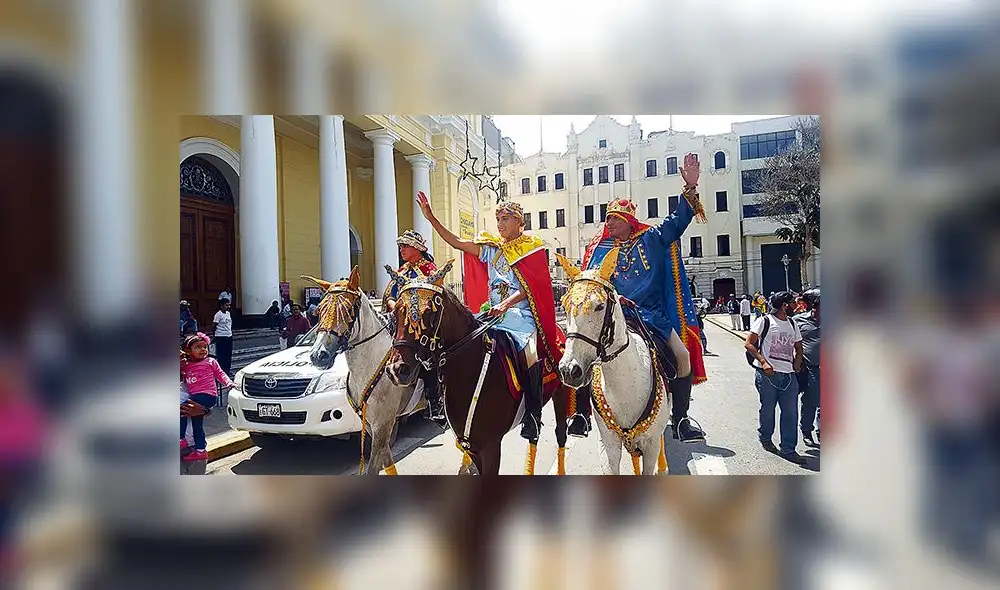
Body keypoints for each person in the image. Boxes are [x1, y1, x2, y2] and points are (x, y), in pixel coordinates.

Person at [569, 152, 709, 443]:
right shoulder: (601, 249)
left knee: (682, 357)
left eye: (614, 219)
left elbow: (677, 222)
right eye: (607, 220)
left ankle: (681, 418)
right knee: (580, 352)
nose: (609, 224)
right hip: (615, 317)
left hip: (652, 317)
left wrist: (691, 188)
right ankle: (582, 415)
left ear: (629, 220)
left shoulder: (653, 239)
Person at [417, 190, 565, 441]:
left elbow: (534, 288)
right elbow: (456, 242)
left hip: (520, 316)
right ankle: (442, 400)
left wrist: (506, 304)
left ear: (520, 222)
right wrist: (431, 218)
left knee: (528, 353)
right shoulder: (491, 250)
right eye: (498, 219)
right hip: (492, 315)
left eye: (506, 219)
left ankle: (532, 413)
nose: (500, 224)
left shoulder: (533, 248)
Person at [382, 229, 445, 422]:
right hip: (400, 321)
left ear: (417, 248)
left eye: (405, 246)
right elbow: (390, 295)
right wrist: (394, 305)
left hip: (424, 324)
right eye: (400, 246)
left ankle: (434, 401)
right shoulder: (400, 272)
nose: (401, 250)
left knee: (428, 357)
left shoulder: (430, 270)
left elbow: (437, 295)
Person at [745, 291, 806, 465]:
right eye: (793, 302)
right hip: (767, 375)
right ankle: (765, 436)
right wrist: (764, 362)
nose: (796, 305)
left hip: (789, 376)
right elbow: (749, 343)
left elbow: (798, 345)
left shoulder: (792, 323)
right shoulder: (764, 321)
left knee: (791, 414)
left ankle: (788, 449)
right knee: (768, 410)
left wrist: (798, 362)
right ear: (785, 305)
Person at [180, 333, 235, 462]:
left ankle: (182, 440)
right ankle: (200, 450)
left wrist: (229, 383)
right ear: (188, 351)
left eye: (205, 347)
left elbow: (220, 374)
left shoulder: (210, 361)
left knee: (183, 410)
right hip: (197, 397)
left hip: (206, 395)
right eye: (198, 347)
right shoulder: (186, 366)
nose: (203, 350)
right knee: (197, 425)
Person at [794, 289, 821, 445]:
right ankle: (806, 431)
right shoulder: (798, 320)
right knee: (811, 400)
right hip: (811, 368)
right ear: (814, 308)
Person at [213, 298, 234, 375]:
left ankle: (227, 370)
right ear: (221, 306)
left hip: (228, 336)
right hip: (221, 336)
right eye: (226, 305)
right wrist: (215, 336)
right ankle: (221, 372)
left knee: (228, 355)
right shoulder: (218, 315)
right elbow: (214, 326)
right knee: (221, 355)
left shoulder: (228, 314)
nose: (228, 307)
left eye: (229, 305)